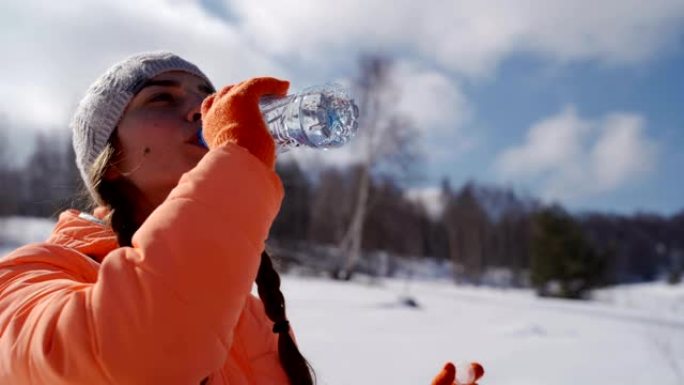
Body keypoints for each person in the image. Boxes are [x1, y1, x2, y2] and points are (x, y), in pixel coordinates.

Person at [0, 52, 483, 385]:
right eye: (162, 99)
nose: (200, 111)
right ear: (111, 158)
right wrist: (236, 161)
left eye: (207, 98)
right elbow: (136, 361)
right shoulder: (32, 275)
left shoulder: (251, 313)